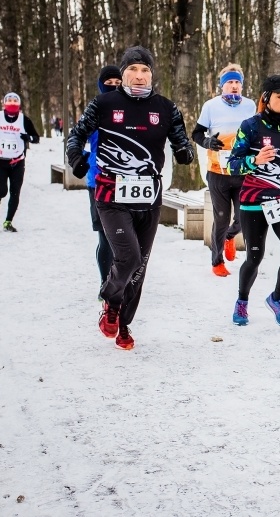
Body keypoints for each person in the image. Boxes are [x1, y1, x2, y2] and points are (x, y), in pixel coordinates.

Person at [67, 46, 195, 350]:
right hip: (112, 194)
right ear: (123, 74)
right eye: (133, 70)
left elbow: (180, 139)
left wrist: (184, 151)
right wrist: (76, 156)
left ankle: (124, 324)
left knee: (140, 267)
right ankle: (111, 303)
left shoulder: (166, 107)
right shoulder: (104, 103)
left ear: (152, 75)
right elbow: (77, 134)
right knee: (129, 256)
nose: (139, 76)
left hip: (150, 197)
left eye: (145, 70)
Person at [226, 74, 280, 329]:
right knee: (254, 257)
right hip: (254, 201)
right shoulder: (250, 126)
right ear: (266, 98)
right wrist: (254, 161)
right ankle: (242, 300)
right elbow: (232, 166)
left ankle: (277, 298)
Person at [192, 64, 257, 277]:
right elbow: (197, 134)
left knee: (242, 218)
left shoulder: (250, 106)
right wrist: (208, 142)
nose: (234, 86)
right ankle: (217, 261)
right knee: (221, 217)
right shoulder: (210, 106)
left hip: (243, 172)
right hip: (218, 171)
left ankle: (230, 237)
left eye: (238, 82)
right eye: (230, 82)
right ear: (222, 86)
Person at [79, 66, 123, 292]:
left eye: (118, 81)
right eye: (109, 82)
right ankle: (106, 283)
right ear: (100, 85)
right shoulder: (93, 111)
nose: (114, 85)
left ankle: (123, 281)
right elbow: (79, 141)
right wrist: (82, 159)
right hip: (98, 181)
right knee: (105, 238)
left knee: (125, 238)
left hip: (128, 182)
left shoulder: (131, 110)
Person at [0, 92, 40, 231]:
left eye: (14, 102)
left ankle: (8, 222)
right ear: (4, 104)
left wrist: (28, 137)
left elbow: (36, 138)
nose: (12, 105)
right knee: (2, 191)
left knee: (15, 192)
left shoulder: (24, 120)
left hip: (17, 161)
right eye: (9, 102)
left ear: (19, 105)